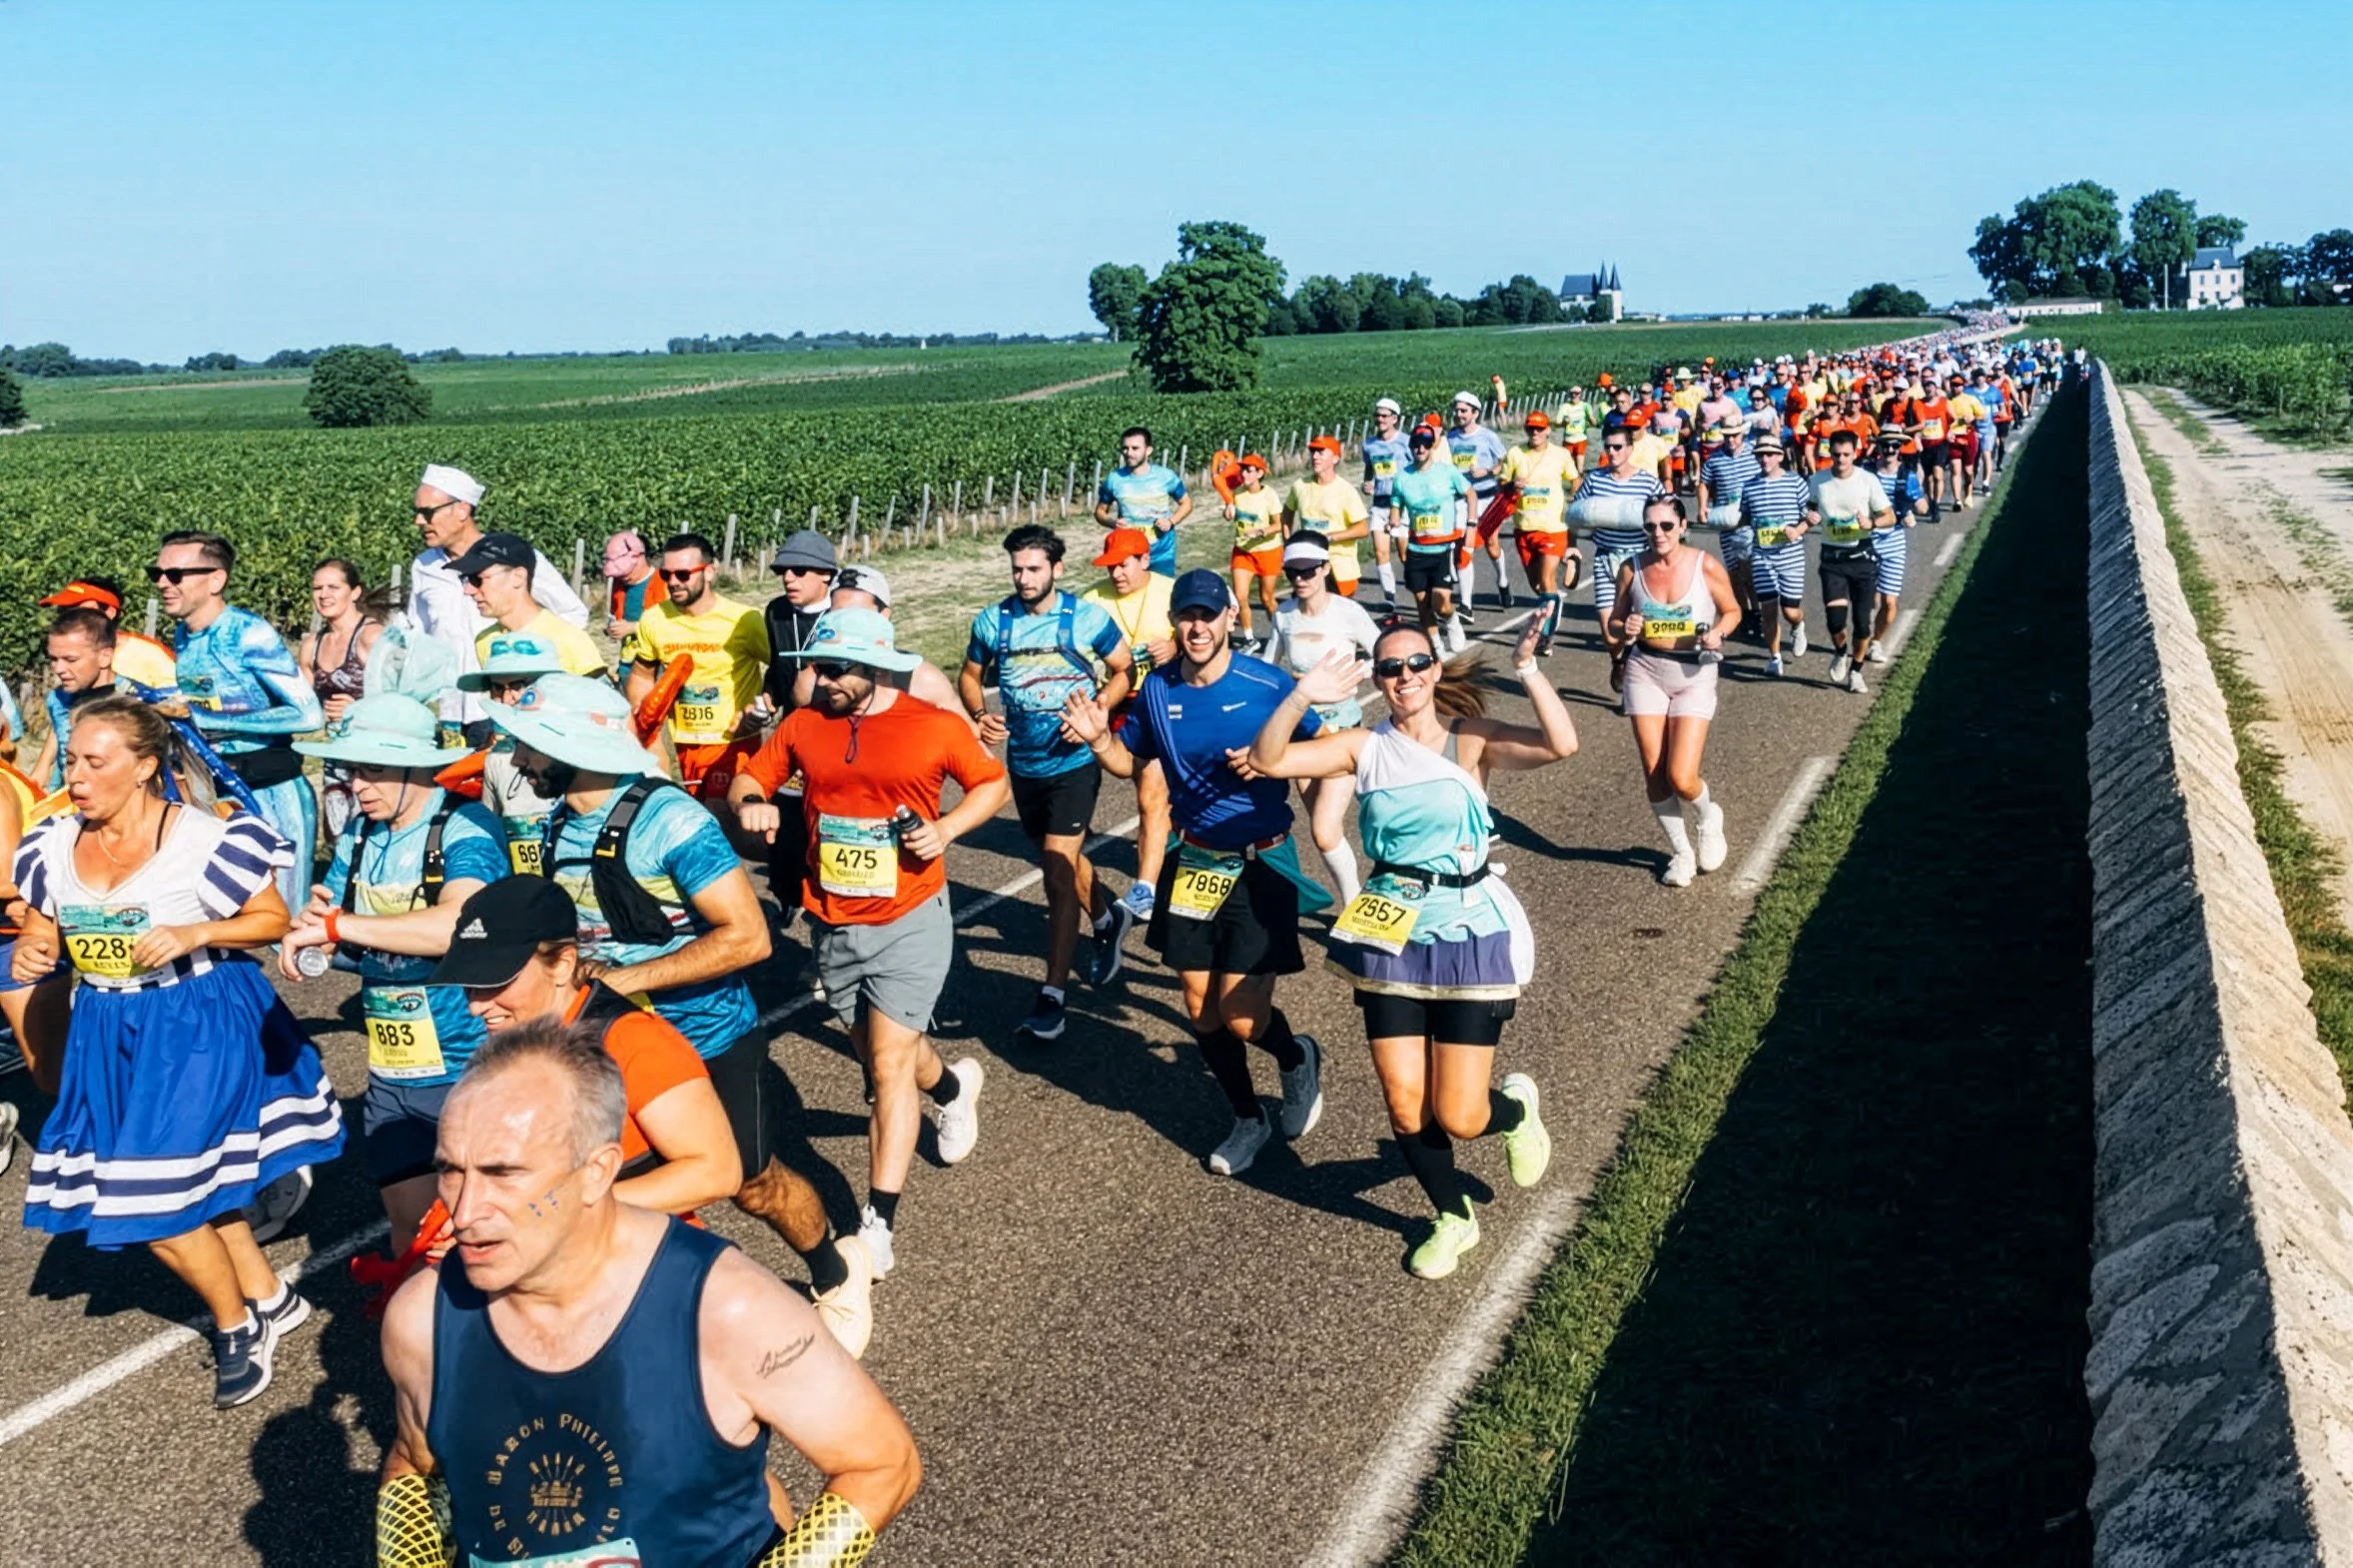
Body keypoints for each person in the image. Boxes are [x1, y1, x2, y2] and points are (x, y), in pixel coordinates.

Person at [375, 1028, 921, 1567]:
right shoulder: (421, 1319)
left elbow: (881, 1465)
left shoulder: (728, 1309)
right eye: (450, 1170)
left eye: (503, 1173)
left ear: (597, 1173)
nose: (464, 1212)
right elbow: (417, 1467)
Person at [10, 698, 343, 1406]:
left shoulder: (203, 839)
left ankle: (238, 1326)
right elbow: (42, 929)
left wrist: (194, 934)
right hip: (106, 1024)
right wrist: (42, 949)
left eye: (96, 762)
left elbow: (269, 920)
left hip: (195, 1020)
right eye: (73, 759)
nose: (78, 776)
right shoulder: (50, 843)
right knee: (183, 1178)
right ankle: (269, 1295)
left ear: (144, 768)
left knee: (147, 1198)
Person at [497, 675, 868, 1309]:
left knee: (750, 1184)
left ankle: (834, 1274)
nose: (517, 760)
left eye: (531, 746)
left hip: (708, 1037)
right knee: (618, 1189)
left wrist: (622, 981)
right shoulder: (558, 824)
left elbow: (749, 938)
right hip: (613, 1047)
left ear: (575, 745)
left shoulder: (671, 820)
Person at [429, 877, 876, 1355]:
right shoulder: (514, 1043)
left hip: (648, 1281)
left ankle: (835, 1274)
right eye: (471, 983)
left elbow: (717, 1171)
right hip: (561, 1283)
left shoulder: (633, 1043)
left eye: (496, 981)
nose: (476, 1005)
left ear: (562, 964)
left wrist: (554, 1214)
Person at [1248, 618, 1571, 1277]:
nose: (1405, 678)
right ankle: (1453, 1216)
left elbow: (1562, 745)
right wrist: (1302, 693)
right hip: (1392, 932)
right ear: (1377, 679)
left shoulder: (1469, 741)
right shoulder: (1364, 746)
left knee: (1459, 1111)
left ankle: (1513, 1110)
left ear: (1434, 668)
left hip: (1468, 931)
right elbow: (1269, 759)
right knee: (1403, 1101)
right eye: (1390, 668)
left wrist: (1529, 669)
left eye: (1416, 663)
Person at [734, 608, 1008, 1277]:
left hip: (912, 915)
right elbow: (749, 776)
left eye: (834, 669)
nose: (819, 679)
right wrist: (751, 804)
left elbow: (991, 783)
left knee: (885, 1064)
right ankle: (949, 1088)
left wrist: (944, 833)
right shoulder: (804, 726)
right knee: (885, 1054)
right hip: (834, 918)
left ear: (876, 667)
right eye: (814, 667)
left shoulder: (933, 726)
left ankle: (877, 1224)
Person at [1059, 568, 1324, 1178]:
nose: (1197, 627)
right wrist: (1100, 741)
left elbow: (1325, 751)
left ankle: (1296, 1053)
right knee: (1199, 1007)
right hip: (1196, 857)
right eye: (1187, 616)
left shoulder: (1268, 686)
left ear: (1231, 617)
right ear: (1174, 622)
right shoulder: (1156, 690)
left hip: (1262, 858)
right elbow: (1131, 762)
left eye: (1209, 615)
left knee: (1240, 1014)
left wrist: (1273, 763)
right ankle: (1247, 1117)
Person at [280, 696, 505, 1253]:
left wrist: (338, 927)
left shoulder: (465, 827)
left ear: (418, 768)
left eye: (373, 769)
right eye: (352, 769)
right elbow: (345, 933)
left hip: (468, 1066)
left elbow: (457, 924)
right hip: (393, 1071)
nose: (357, 784)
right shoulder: (360, 834)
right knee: (411, 1236)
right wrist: (310, 938)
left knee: (477, 1232)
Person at [958, 525, 1136, 1041]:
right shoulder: (994, 620)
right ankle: (1107, 919)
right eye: (1017, 569)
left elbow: (1123, 669)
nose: (1024, 577)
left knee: (1055, 875)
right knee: (1062, 858)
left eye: (1034, 568)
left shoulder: (1086, 618)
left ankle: (1052, 996)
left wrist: (1099, 708)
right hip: (1025, 764)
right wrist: (978, 712)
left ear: (1057, 569)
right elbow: (971, 675)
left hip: (1074, 762)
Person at [153, 529, 325, 912]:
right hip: (213, 793)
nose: (163, 583)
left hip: (272, 793)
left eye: (175, 574)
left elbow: (308, 714)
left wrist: (204, 717)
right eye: (157, 573)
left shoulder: (249, 633)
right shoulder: (183, 633)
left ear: (216, 579)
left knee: (285, 923)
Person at [1604, 498, 1740, 886]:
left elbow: (1731, 611)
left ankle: (1708, 815)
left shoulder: (1704, 565)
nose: (1658, 534)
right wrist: (1625, 628)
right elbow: (1614, 624)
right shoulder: (1632, 568)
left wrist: (1718, 633)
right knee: (1654, 772)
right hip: (1645, 670)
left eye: (1666, 525)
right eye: (1650, 527)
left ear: (1682, 525)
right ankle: (1681, 853)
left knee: (1681, 776)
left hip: (1694, 672)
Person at [404, 463, 589, 746]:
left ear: (462, 510)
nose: (419, 521)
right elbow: (418, 635)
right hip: (449, 709)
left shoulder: (512, 557)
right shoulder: (423, 566)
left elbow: (573, 614)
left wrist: (531, 666)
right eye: (416, 512)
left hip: (506, 705)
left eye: (427, 512)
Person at [1267, 534, 1380, 905]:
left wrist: (1353, 674)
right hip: (1302, 732)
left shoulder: (1348, 613)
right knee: (1326, 828)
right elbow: (1269, 667)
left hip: (1340, 729)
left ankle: (1355, 907)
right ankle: (1362, 896)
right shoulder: (1284, 615)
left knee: (1324, 830)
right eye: (1291, 572)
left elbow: (1383, 654)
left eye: (1308, 571)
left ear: (1325, 569)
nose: (1300, 579)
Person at [622, 530, 771, 802]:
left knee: (727, 820)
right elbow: (642, 674)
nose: (674, 583)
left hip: (733, 742)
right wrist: (643, 725)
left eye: (683, 574)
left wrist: (763, 709)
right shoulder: (654, 619)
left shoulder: (744, 620)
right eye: (666, 576)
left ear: (709, 572)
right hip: (684, 745)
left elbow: (781, 669)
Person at [1080, 528, 1176, 921]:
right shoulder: (1091, 600)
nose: (1116, 574)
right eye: (1110, 566)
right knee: (1133, 784)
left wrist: (1176, 648)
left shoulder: (1172, 592)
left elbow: (1208, 637)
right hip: (1111, 700)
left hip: (1160, 699)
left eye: (1123, 564)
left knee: (1150, 794)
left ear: (1145, 560)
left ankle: (1145, 888)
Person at [452, 632, 568, 872]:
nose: (507, 698)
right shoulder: (497, 759)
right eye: (497, 688)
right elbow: (488, 831)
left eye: (518, 686)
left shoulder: (580, 751)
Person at [1567, 430, 1669, 675]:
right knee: (1610, 634)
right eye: (1608, 447)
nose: (1612, 452)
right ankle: (1619, 661)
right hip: (1606, 559)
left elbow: (1666, 518)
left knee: (1638, 625)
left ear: (1630, 449)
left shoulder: (1648, 483)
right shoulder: (1594, 480)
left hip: (1639, 561)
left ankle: (1635, 675)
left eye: (1617, 447)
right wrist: (1572, 547)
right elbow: (1575, 514)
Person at [299, 556, 386, 838]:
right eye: (317, 588)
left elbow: (406, 703)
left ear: (355, 592)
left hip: (377, 757)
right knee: (339, 837)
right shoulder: (312, 646)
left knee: (376, 834)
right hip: (336, 758)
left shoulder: (372, 637)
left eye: (333, 587)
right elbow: (302, 705)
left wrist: (359, 708)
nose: (323, 595)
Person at [449, 530, 608, 680]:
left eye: (477, 579)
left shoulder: (570, 640)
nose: (468, 590)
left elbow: (601, 706)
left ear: (518, 576)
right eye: (465, 579)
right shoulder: (485, 641)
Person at [1809, 428, 1898, 693]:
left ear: (1855, 453)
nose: (1841, 460)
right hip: (1832, 558)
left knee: (1861, 622)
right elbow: (1810, 506)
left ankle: (1856, 671)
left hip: (1861, 557)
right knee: (1835, 620)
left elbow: (1889, 516)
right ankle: (1840, 651)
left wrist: (1871, 523)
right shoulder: (1818, 480)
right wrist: (1810, 516)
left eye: (1846, 455)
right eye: (1836, 455)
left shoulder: (1867, 480)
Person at [1496, 411, 1577, 656]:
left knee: (1547, 579)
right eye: (1531, 429)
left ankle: (1545, 634)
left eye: (1540, 429)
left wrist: (1575, 502)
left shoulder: (1561, 455)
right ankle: (1553, 599)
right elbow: (1501, 484)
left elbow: (1575, 479)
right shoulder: (1515, 454)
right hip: (1524, 526)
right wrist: (1511, 485)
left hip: (1553, 527)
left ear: (1548, 430)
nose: (1535, 433)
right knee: (1538, 585)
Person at [1391, 421, 1476, 654]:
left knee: (1441, 602)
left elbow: (1470, 494)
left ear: (1432, 447)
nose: (1421, 449)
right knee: (1421, 601)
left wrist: (1471, 524)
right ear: (1411, 447)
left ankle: (1451, 621)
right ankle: (1435, 644)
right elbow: (1396, 501)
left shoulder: (1447, 473)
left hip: (1442, 549)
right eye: (1416, 444)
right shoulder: (1402, 477)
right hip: (1417, 549)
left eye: (1426, 444)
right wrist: (1394, 518)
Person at [1738, 433, 1813, 678]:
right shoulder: (1749, 486)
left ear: (1780, 456)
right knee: (1768, 609)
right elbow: (1745, 517)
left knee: (1790, 610)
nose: (1764, 459)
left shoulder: (1795, 482)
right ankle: (1775, 657)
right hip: (1762, 555)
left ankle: (1798, 625)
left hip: (1790, 555)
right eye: (1760, 455)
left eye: (1770, 454)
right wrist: (1731, 526)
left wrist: (1799, 529)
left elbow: (1810, 516)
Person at [37, 577, 176, 691]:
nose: (69, 619)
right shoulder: (57, 699)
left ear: (110, 612)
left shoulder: (149, 655)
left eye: (81, 612)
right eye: (63, 611)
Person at [1096, 424, 1192, 579]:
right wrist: (1113, 523)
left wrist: (1171, 521)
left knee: (1162, 597)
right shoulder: (1114, 479)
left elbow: (1186, 503)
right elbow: (1100, 511)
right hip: (1130, 553)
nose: (1129, 453)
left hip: (1162, 551)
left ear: (1148, 450)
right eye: (1125, 448)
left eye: (1135, 448)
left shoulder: (1166, 476)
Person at [1868, 428, 1930, 667]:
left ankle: (1876, 641)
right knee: (1870, 600)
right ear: (1879, 447)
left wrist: (1911, 509)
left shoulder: (1907, 474)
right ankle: (1864, 635)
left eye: (1895, 446)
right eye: (1886, 445)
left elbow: (1922, 506)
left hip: (1893, 543)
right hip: (1868, 540)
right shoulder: (1867, 473)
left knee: (1890, 602)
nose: (1890, 450)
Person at [1284, 434, 1371, 600]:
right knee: (1308, 615)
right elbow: (1287, 512)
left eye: (1320, 452)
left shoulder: (1345, 490)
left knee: (1339, 619)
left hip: (1340, 565)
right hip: (1308, 566)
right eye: (1313, 452)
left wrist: (1330, 537)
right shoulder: (1300, 486)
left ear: (1335, 458)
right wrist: (1288, 541)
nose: (1315, 456)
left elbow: (1362, 529)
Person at [1445, 391, 1509, 612]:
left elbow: (1505, 463)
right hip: (1462, 499)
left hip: (1487, 496)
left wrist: (1488, 472)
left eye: (1463, 411)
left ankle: (1502, 581)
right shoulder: (1450, 438)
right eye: (1457, 410)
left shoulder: (1488, 436)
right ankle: (1466, 604)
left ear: (1475, 413)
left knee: (1491, 544)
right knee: (1464, 546)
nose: (1459, 414)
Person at [1699, 421, 1763, 636]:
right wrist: (1702, 507)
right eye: (1727, 436)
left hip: (1748, 521)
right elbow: (1704, 483)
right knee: (1734, 571)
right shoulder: (1715, 458)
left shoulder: (1754, 454)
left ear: (1742, 433)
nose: (1731, 440)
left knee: (1748, 569)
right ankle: (1742, 612)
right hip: (1725, 520)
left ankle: (1757, 612)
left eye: (1734, 435)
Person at [1222, 452, 1284, 653]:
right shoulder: (1237, 494)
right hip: (1243, 552)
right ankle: (1250, 640)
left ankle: (1281, 634)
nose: (1244, 474)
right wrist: (1227, 512)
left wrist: (1259, 532)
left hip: (1268, 551)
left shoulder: (1269, 495)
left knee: (1267, 598)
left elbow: (1278, 525)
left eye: (1249, 470)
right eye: (1243, 470)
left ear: (1259, 473)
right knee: (1240, 597)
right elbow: (1230, 514)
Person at [1361, 396, 1413, 606]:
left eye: (1384, 416)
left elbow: (1419, 466)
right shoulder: (1369, 444)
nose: (1379, 419)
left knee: (1403, 553)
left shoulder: (1406, 442)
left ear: (1394, 419)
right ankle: (1389, 598)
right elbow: (1369, 468)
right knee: (1380, 552)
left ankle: (1419, 587)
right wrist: (1367, 483)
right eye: (1377, 415)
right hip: (1380, 503)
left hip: (1402, 505)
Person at [602, 527, 667, 640]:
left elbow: (675, 624)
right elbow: (615, 613)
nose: (621, 578)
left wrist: (634, 628)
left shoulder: (665, 582)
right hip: (629, 654)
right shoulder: (619, 584)